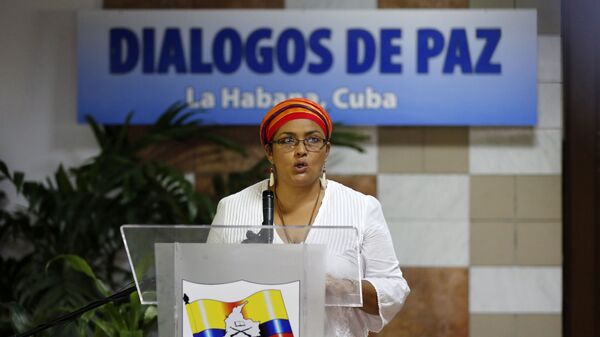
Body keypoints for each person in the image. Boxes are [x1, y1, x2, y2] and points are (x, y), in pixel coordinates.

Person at [209, 98, 409, 337]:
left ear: (326, 150)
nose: (301, 150)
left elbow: (394, 290)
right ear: (269, 152)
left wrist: (340, 288)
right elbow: (207, 290)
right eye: (287, 140)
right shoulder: (232, 208)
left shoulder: (361, 208)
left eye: (313, 139)